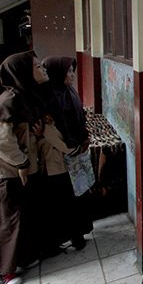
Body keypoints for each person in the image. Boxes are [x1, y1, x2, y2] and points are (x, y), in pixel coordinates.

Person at [0, 51, 48, 284]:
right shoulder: (7, 101)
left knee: (24, 215)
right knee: (7, 220)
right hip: (6, 172)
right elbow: (0, 141)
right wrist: (21, 162)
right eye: (37, 67)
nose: (43, 69)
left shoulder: (27, 96)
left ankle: (21, 258)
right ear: (22, 72)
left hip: (23, 168)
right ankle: (3, 270)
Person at [39, 56, 93, 252]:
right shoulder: (47, 97)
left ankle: (80, 233)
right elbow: (50, 131)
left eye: (72, 71)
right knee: (65, 198)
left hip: (77, 152)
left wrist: (84, 138)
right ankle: (67, 236)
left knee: (80, 193)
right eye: (68, 72)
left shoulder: (70, 91)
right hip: (61, 156)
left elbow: (79, 117)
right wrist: (71, 148)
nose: (71, 75)